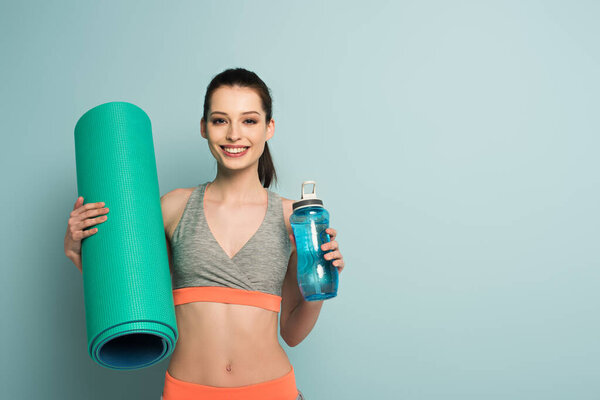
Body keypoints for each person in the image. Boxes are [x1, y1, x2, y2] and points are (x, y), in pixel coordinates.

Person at [64, 68, 345, 399]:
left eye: (249, 120)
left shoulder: (292, 218)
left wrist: (323, 285)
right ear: (204, 127)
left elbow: (292, 333)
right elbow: (134, 293)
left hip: (273, 391)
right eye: (220, 120)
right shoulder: (173, 208)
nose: (234, 134)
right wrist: (81, 254)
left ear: (269, 128)